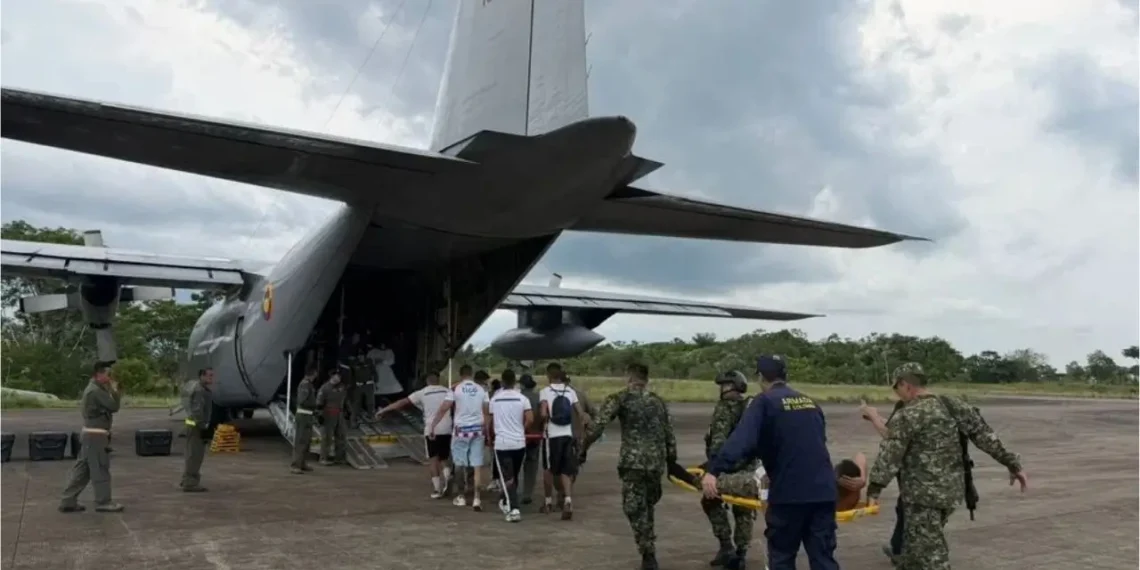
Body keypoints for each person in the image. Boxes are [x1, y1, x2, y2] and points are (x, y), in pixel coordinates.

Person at [865, 363, 1028, 570]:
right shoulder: (953, 405)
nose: (897, 394)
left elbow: (890, 455)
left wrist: (874, 489)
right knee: (916, 550)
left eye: (896, 388)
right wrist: (1012, 464)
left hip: (922, 497)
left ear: (905, 384)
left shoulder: (909, 414)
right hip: (951, 494)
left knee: (932, 557)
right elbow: (986, 437)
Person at [701, 355, 838, 570]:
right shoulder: (811, 403)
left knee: (782, 557)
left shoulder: (764, 402)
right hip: (824, 492)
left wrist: (714, 470)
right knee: (823, 559)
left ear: (760, 377)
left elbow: (741, 442)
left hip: (789, 495)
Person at [581, 363, 676, 570]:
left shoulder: (619, 398)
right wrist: (672, 462)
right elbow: (669, 433)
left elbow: (598, 427)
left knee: (633, 508)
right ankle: (648, 551)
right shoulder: (658, 402)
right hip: (655, 464)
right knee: (647, 507)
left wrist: (583, 448)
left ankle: (647, 552)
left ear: (628, 377)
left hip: (632, 463)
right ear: (646, 379)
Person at [701, 370, 758, 569]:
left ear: (732, 387)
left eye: (725, 386)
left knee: (709, 499)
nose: (722, 390)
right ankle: (741, 554)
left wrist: (713, 468)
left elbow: (718, 441)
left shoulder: (725, 408)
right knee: (744, 510)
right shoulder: (751, 408)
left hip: (727, 468)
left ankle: (726, 546)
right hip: (750, 468)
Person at [59, 361, 125, 513]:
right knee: (100, 468)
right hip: (96, 436)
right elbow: (113, 407)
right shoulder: (95, 391)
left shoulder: (95, 388)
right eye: (108, 375)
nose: (110, 378)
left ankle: (68, 500)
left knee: (83, 470)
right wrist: (115, 391)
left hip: (91, 434)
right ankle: (103, 502)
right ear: (99, 374)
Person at [376, 371, 454, 498]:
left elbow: (401, 403)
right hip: (447, 428)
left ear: (427, 381)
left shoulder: (422, 393)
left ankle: (437, 490)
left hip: (431, 429)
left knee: (433, 459)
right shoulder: (448, 391)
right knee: (444, 458)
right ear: (438, 380)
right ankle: (447, 476)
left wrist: (384, 410)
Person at [430, 364, 490, 511]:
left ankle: (461, 496)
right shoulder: (482, 389)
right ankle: (476, 498)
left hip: (461, 430)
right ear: (472, 374)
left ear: (461, 374)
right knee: (476, 465)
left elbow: (444, 408)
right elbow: (487, 412)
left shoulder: (455, 389)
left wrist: (433, 425)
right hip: (478, 429)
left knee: (459, 463)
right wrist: (487, 431)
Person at [860, 398, 907, 562]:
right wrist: (876, 417)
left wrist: (874, 417)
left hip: (915, 477)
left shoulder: (908, 408)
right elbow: (895, 429)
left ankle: (902, 553)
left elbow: (892, 436)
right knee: (904, 510)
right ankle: (899, 549)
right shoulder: (920, 408)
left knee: (908, 510)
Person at [538, 362, 584, 519]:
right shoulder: (570, 391)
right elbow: (580, 413)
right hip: (567, 434)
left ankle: (548, 501)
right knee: (566, 469)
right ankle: (568, 500)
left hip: (552, 434)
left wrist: (543, 420)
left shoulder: (545, 391)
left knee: (548, 468)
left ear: (549, 376)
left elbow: (544, 413)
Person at [488, 369, 533, 522]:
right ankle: (508, 500)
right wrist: (522, 429)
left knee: (507, 476)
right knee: (514, 474)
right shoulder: (522, 399)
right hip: (519, 442)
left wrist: (491, 436)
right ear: (515, 381)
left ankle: (514, 508)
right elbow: (530, 419)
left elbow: (491, 421)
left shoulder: (495, 399)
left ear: (502, 381)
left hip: (502, 443)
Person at [181, 367, 215, 493]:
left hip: (192, 425)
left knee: (192, 454)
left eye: (212, 376)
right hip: (196, 426)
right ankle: (190, 483)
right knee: (195, 455)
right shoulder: (200, 391)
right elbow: (197, 411)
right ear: (202, 376)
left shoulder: (197, 388)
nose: (211, 378)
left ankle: (187, 479)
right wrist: (203, 427)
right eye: (209, 376)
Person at [518, 373, 543, 505]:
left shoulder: (518, 397)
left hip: (518, 435)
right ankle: (528, 492)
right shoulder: (539, 397)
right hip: (535, 435)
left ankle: (511, 490)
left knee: (514, 464)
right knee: (531, 464)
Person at [316, 368, 348, 465]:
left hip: (340, 414)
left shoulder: (342, 387)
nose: (338, 378)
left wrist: (348, 410)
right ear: (332, 377)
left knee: (341, 436)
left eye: (339, 376)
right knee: (327, 437)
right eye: (337, 376)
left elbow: (345, 399)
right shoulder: (324, 388)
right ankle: (323, 458)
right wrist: (319, 416)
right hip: (329, 414)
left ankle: (339, 457)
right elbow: (319, 403)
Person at [291, 367, 319, 474]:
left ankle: (302, 463)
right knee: (300, 440)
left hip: (308, 415)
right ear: (311, 374)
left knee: (306, 441)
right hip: (303, 415)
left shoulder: (309, 385)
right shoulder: (304, 385)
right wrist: (314, 405)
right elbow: (301, 401)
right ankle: (295, 465)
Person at [367, 342, 404, 406]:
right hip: (376, 372)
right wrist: (374, 362)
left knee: (391, 389)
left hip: (386, 372)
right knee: (377, 388)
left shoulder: (389, 351)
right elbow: (368, 360)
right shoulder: (373, 351)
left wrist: (383, 361)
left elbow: (391, 361)